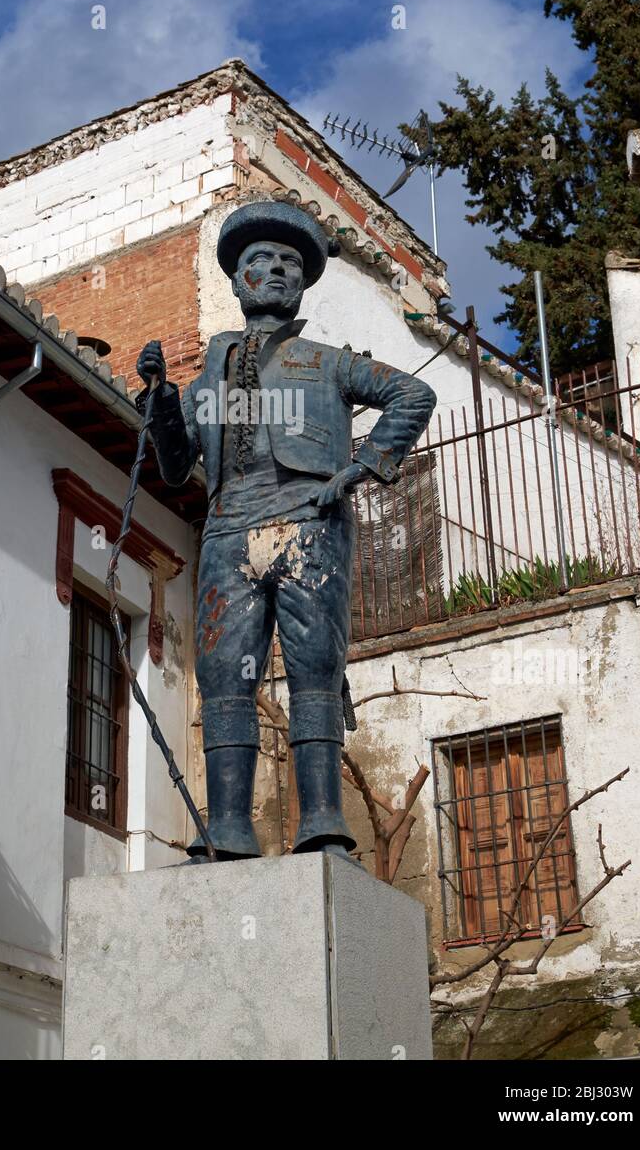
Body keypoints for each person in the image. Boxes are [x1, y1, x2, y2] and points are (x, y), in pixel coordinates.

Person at [137, 200, 436, 860]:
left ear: (301, 284)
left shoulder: (326, 362)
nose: (274, 271)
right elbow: (174, 461)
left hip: (309, 527)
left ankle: (323, 819)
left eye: (288, 264)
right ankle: (231, 825)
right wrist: (160, 399)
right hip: (226, 535)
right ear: (237, 280)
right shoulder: (210, 374)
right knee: (224, 678)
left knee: (313, 672)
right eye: (259, 262)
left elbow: (414, 396)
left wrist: (360, 469)